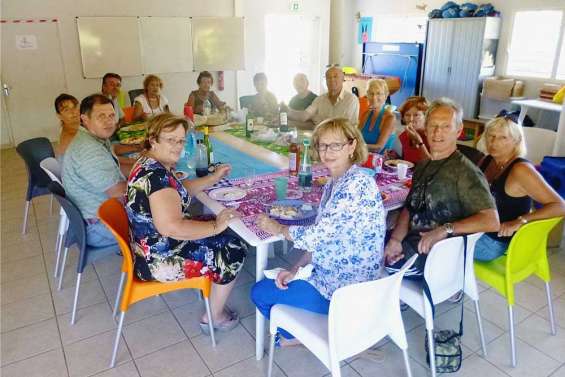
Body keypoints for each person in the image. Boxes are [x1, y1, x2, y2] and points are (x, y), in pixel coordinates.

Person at [251, 117, 385, 345]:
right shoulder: (338, 181)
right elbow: (321, 237)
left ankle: (302, 337)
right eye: (323, 145)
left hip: (346, 291)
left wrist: (277, 227)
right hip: (333, 275)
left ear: (352, 146)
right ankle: (302, 329)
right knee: (276, 283)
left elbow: (315, 236)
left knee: (259, 293)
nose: (327, 152)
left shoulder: (355, 185)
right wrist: (295, 269)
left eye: (336, 145)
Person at [126, 112, 247, 332]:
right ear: (153, 139)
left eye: (181, 140)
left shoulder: (150, 162)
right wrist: (214, 227)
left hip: (148, 244)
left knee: (218, 225)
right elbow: (172, 227)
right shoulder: (155, 176)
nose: (177, 146)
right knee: (234, 248)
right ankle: (214, 317)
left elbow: (177, 192)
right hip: (157, 259)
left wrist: (212, 178)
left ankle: (211, 281)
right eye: (170, 140)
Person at [384, 97, 499, 278]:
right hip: (411, 241)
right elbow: (410, 207)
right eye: (433, 125)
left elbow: (492, 221)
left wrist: (444, 229)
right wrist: (396, 239)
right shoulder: (423, 165)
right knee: (367, 249)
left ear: (458, 131)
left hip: (437, 255)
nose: (438, 132)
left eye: (446, 126)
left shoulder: (465, 172)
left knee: (378, 269)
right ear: (426, 128)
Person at [473, 116, 565, 261]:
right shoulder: (487, 160)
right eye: (491, 135)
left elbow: (560, 206)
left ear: (516, 140)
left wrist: (520, 221)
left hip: (494, 242)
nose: (494, 142)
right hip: (478, 227)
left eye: (503, 137)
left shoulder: (521, 170)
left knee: (438, 244)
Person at [62, 94, 125, 248]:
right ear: (85, 119)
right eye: (101, 116)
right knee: (163, 213)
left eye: (111, 115)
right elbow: (117, 191)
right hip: (99, 228)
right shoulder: (89, 151)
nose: (109, 121)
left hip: (95, 216)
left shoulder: (93, 138)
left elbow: (116, 168)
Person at [285, 67, 359, 126]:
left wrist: (319, 122)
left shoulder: (351, 99)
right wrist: (286, 111)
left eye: (335, 76)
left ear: (343, 79)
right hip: (323, 140)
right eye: (328, 77)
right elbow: (304, 116)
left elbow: (342, 126)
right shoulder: (319, 100)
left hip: (344, 142)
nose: (332, 79)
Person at [359, 79, 396, 153]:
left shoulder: (390, 118)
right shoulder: (366, 114)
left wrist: (355, 146)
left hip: (381, 161)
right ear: (367, 95)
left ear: (385, 96)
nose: (374, 97)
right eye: (371, 93)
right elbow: (357, 138)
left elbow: (378, 148)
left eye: (378, 93)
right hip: (363, 158)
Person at [398, 96, 431, 163]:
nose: (411, 119)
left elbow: (431, 167)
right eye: (407, 115)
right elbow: (408, 162)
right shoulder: (404, 136)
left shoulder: (433, 136)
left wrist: (419, 141)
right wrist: (395, 156)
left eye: (416, 115)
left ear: (426, 116)